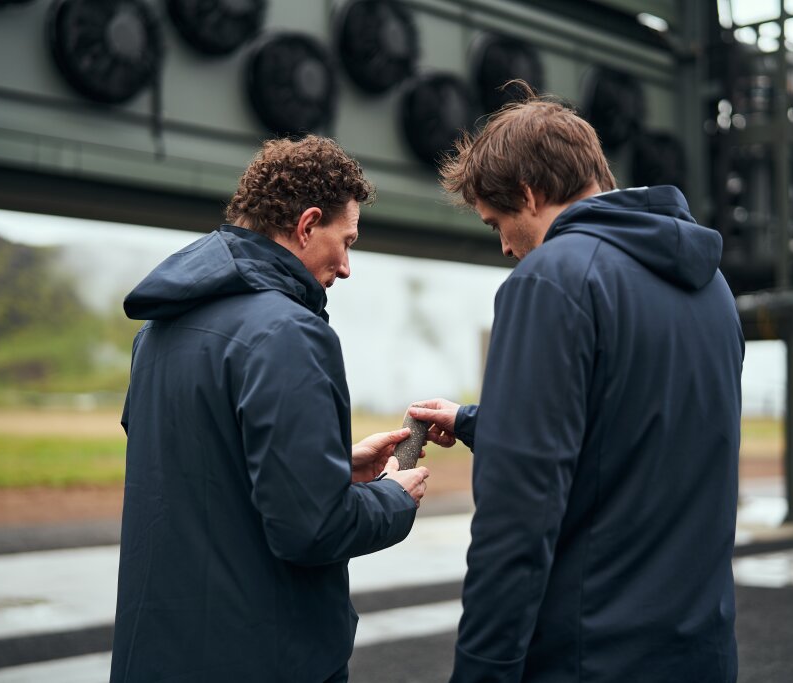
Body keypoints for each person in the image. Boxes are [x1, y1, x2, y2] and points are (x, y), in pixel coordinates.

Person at [410, 87, 743, 682]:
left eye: (499, 222)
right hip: (700, 653)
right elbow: (638, 428)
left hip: (592, 658)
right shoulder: (712, 289)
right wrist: (473, 422)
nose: (508, 247)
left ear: (530, 194)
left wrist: (482, 671)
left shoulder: (552, 279)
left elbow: (517, 517)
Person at [110, 135, 429, 683]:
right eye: (345, 241)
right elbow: (311, 529)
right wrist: (389, 499)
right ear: (307, 225)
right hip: (265, 658)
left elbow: (201, 470)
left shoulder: (157, 331)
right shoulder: (290, 332)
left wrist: (332, 467)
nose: (347, 267)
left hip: (158, 654)